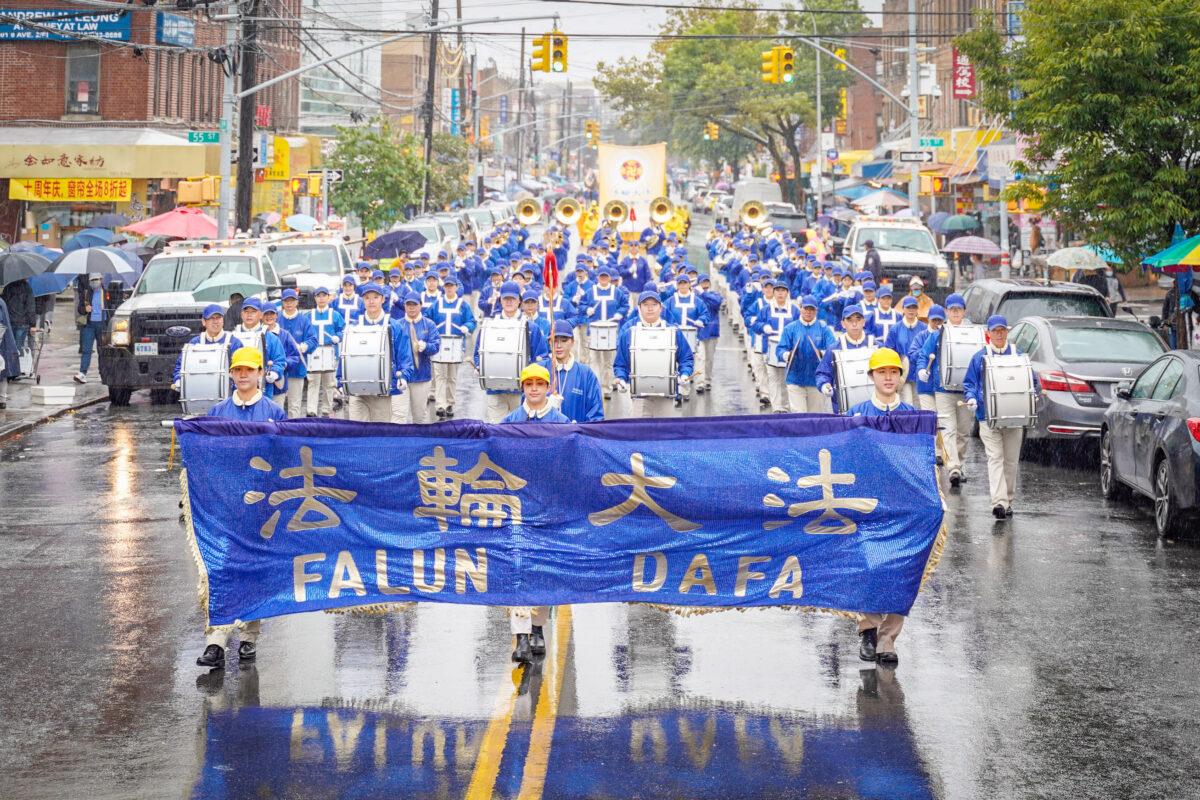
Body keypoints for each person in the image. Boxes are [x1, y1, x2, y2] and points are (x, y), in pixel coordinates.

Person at [195, 346, 285, 669]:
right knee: (218, 570)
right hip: (224, 506)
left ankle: (248, 638)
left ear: (261, 373)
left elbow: (284, 459)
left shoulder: (274, 412)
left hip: (260, 510)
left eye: (250, 369)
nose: (243, 375)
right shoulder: (219, 412)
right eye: (238, 370)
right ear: (231, 374)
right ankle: (215, 642)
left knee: (254, 572)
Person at [848, 348, 915, 665]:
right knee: (869, 566)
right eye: (881, 372)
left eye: (894, 372)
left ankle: (888, 639)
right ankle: (868, 629)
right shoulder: (857, 412)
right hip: (867, 503)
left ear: (901, 377)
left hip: (903, 505)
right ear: (872, 376)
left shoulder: (913, 416)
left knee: (901, 570)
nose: (888, 378)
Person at [962, 315, 1040, 519]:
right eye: (995, 331)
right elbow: (969, 383)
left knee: (1011, 461)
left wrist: (1034, 394)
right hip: (987, 417)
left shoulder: (1019, 355)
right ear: (988, 333)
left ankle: (1008, 500)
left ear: (1007, 332)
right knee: (995, 458)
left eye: (1002, 331)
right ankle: (999, 503)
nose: (998, 334)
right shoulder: (979, 357)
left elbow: (1033, 380)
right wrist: (971, 398)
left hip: (1015, 416)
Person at [916, 294, 973, 486]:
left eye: (959, 309)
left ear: (964, 311)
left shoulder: (972, 334)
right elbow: (924, 355)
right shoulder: (937, 334)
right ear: (947, 311)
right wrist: (922, 370)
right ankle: (953, 468)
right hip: (943, 388)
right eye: (952, 309)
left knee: (964, 431)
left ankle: (960, 464)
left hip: (965, 391)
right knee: (948, 429)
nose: (956, 312)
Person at [475, 281, 550, 423]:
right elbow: (478, 352)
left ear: (519, 302)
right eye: (505, 298)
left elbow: (542, 357)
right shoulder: (489, 325)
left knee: (519, 432)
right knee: (496, 430)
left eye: (513, 298)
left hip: (521, 392)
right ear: (500, 300)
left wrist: (531, 380)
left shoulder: (531, 327)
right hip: (494, 389)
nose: (509, 301)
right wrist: (480, 366)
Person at [613, 291, 694, 418]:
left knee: (665, 435)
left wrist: (685, 374)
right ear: (639, 308)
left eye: (654, 304)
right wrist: (622, 379)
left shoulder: (673, 332)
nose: (650, 308)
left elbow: (686, 358)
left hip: (667, 396)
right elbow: (620, 363)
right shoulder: (629, 333)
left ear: (660, 307)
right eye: (645, 304)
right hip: (639, 398)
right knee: (639, 435)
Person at [345, 284, 417, 423]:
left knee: (379, 435)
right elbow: (346, 356)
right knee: (357, 434)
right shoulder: (354, 326)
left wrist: (404, 376)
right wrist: (340, 381)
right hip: (357, 391)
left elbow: (404, 355)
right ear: (363, 301)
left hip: (383, 391)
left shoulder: (395, 326)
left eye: (375, 297)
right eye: (367, 298)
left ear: (383, 299)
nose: (371, 301)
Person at [775, 296, 837, 413]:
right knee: (799, 414)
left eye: (812, 309)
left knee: (815, 416)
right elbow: (779, 350)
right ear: (800, 308)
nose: (808, 312)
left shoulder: (824, 329)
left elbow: (833, 349)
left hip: (816, 380)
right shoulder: (790, 328)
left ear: (816, 311)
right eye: (806, 308)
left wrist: (821, 353)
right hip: (795, 379)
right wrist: (787, 355)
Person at [427, 275, 477, 418]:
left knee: (452, 377)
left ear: (456, 287)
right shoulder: (437, 303)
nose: (449, 288)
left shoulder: (463, 304)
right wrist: (431, 329)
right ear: (444, 288)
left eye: (451, 286)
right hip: (439, 344)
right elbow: (426, 317)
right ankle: (440, 405)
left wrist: (467, 327)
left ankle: (450, 404)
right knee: (440, 376)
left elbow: (472, 321)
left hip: (456, 345)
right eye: (447, 286)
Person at [537, 319, 604, 423]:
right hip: (545, 437)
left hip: (576, 436)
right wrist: (545, 404)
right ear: (549, 343)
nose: (559, 346)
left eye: (564, 340)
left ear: (572, 342)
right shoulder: (538, 370)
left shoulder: (586, 374)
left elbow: (596, 415)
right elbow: (526, 409)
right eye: (554, 340)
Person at [815, 304, 877, 414]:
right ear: (843, 324)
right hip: (843, 409)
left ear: (864, 322)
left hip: (873, 408)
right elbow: (822, 373)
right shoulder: (834, 349)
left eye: (858, 319)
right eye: (849, 320)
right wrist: (824, 385)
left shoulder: (876, 346)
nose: (854, 324)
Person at [172, 304, 244, 391]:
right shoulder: (195, 343)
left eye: (218, 318)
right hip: (200, 391)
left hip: (228, 394)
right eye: (211, 318)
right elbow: (181, 366)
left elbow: (243, 369)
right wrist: (178, 380)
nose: (215, 321)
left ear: (223, 320)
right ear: (203, 321)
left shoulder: (234, 343)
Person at [397, 291, 441, 424]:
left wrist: (426, 347)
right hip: (401, 377)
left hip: (421, 377)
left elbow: (436, 346)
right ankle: (398, 444)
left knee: (419, 417)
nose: (411, 307)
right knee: (399, 416)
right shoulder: (397, 325)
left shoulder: (429, 324)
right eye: (408, 304)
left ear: (420, 305)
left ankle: (418, 444)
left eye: (414, 304)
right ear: (404, 306)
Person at [232, 298, 288, 401]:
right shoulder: (233, 337)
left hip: (264, 393)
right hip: (237, 393)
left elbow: (280, 361)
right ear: (241, 314)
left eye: (253, 311)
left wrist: (274, 373)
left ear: (261, 315)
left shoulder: (271, 338)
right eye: (246, 311)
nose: (249, 315)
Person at [273, 291, 317, 417]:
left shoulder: (304, 320)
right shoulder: (277, 318)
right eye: (286, 301)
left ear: (297, 302)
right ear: (282, 302)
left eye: (292, 300)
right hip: (278, 370)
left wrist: (303, 346)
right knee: (277, 405)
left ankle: (293, 432)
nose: (289, 304)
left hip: (296, 369)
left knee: (294, 405)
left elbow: (313, 340)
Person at [306, 287, 344, 417]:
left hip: (330, 351)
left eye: (324, 295)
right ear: (315, 298)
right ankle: (311, 410)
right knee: (313, 382)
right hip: (314, 351)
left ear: (328, 297)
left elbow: (343, 330)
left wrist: (338, 337)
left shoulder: (335, 314)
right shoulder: (309, 315)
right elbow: (305, 332)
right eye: (318, 296)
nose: (321, 298)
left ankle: (326, 410)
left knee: (329, 384)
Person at [884, 296, 927, 406]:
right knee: (907, 404)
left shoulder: (924, 328)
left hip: (920, 374)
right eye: (908, 308)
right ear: (903, 309)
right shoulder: (895, 329)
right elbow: (889, 352)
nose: (911, 310)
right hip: (903, 376)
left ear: (918, 309)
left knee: (919, 406)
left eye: (914, 307)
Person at [73, 273, 110, 385]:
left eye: (96, 279)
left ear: (101, 279)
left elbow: (112, 307)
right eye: (92, 280)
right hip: (89, 324)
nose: (94, 282)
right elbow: (80, 309)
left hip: (103, 324)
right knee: (86, 350)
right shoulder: (87, 292)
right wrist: (85, 309)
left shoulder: (106, 292)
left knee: (102, 351)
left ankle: (104, 374)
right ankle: (82, 373)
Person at [0, 296, 19, 409]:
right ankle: (2, 400)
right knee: (3, 372)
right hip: (5, 343)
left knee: (2, 371)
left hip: (2, 343)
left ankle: (2, 399)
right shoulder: (2, 301)